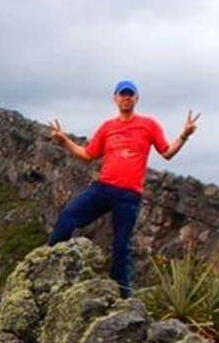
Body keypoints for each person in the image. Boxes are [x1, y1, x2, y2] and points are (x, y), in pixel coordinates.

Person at [48, 80, 200, 298]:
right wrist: (63, 141)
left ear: (136, 99)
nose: (126, 98)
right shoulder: (107, 127)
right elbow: (88, 155)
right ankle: (49, 262)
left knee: (121, 246)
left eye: (130, 95)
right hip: (103, 188)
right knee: (68, 216)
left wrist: (185, 135)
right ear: (115, 98)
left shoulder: (149, 125)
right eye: (122, 94)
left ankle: (124, 296)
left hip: (128, 196)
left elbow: (167, 152)